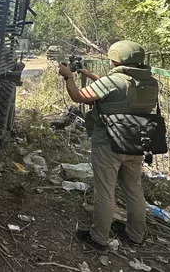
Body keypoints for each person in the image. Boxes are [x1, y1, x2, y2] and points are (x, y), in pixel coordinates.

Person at [57, 41, 159, 254]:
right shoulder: (150, 82)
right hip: (136, 141)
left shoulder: (114, 81)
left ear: (116, 59)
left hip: (109, 142)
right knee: (134, 189)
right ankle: (136, 234)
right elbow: (118, 91)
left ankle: (99, 237)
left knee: (105, 189)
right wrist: (86, 72)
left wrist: (69, 76)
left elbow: (78, 97)